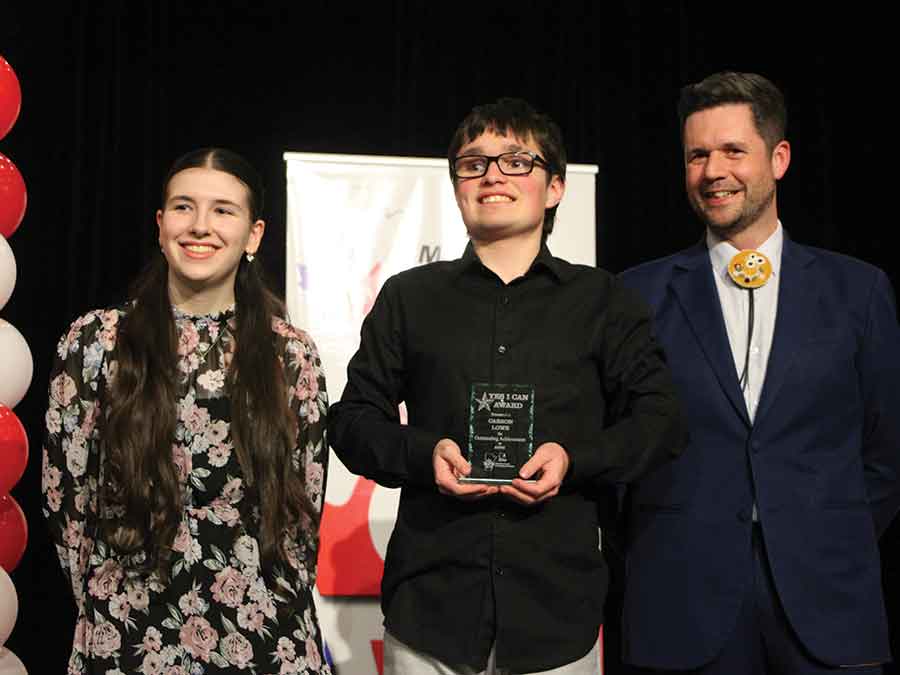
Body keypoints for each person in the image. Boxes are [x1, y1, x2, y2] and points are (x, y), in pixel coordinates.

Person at [327, 98, 684, 675]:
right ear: (458, 188)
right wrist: (424, 455)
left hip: (557, 618)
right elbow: (352, 421)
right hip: (431, 614)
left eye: (517, 161)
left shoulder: (604, 301)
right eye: (474, 164)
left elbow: (661, 420)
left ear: (555, 187)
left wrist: (574, 460)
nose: (492, 175)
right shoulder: (409, 298)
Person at [619, 72, 900, 674]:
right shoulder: (634, 296)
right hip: (682, 601)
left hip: (828, 601)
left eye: (732, 151)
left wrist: (824, 534)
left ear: (779, 158)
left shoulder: (859, 291)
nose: (712, 171)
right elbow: (620, 456)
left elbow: (884, 456)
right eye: (697, 155)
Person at [42, 148, 331, 674]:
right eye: (183, 207)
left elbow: (304, 504)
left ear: (254, 235)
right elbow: (67, 502)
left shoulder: (290, 353)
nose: (200, 225)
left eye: (223, 210)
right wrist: (104, 599)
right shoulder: (95, 341)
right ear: (160, 225)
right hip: (126, 629)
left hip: (265, 633)